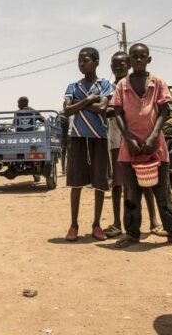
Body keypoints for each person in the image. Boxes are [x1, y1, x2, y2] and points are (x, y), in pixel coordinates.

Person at [110, 44, 172, 248]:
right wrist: (128, 138)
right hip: (130, 148)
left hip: (156, 146)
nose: (138, 60)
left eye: (142, 56)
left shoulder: (157, 82)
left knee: (162, 192)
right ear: (129, 61)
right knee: (131, 192)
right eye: (134, 57)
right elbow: (117, 112)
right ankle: (132, 234)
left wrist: (154, 136)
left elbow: (165, 110)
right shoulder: (122, 85)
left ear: (149, 59)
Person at [103, 50, 164, 239]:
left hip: (140, 139)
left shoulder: (142, 84)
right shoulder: (108, 87)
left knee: (146, 179)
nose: (118, 66)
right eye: (114, 63)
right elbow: (107, 111)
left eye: (121, 63)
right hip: (115, 139)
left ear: (128, 64)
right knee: (117, 183)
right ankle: (117, 223)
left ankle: (154, 221)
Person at [63, 47, 113, 241]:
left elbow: (102, 108)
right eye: (79, 61)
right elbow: (66, 111)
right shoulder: (72, 86)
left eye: (85, 60)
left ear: (96, 62)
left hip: (99, 138)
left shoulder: (105, 84)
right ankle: (74, 225)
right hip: (77, 138)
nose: (81, 64)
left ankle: (97, 225)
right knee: (76, 183)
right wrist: (90, 100)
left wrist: (81, 103)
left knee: (99, 183)